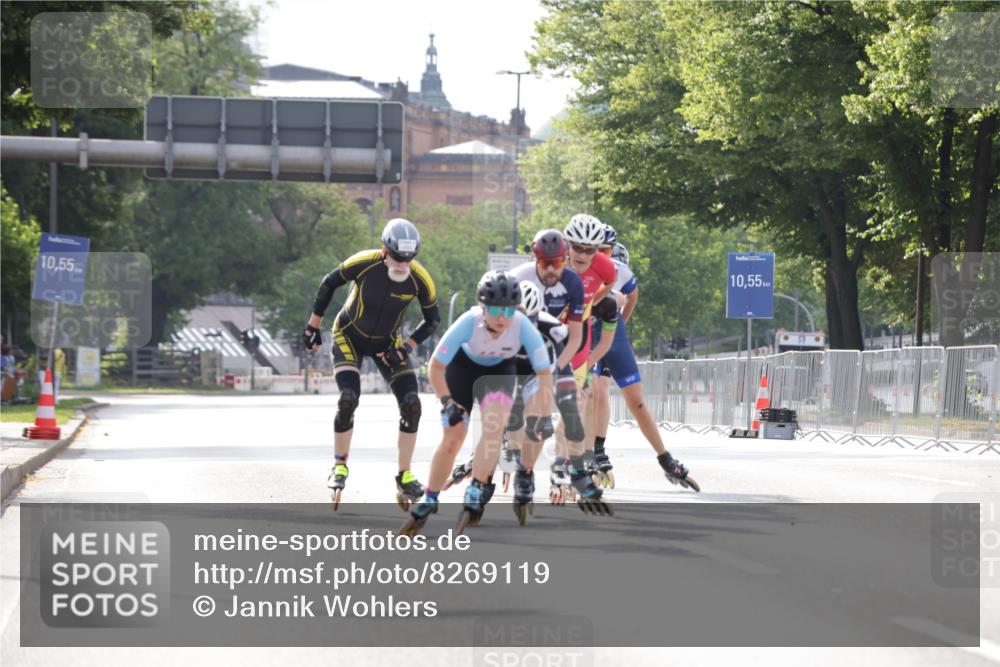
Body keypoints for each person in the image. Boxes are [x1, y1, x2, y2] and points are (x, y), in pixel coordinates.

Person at [402, 271, 602, 535]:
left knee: (494, 428)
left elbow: (545, 374)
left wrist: (542, 414)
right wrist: (447, 402)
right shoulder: (468, 322)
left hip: (498, 373)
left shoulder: (522, 325)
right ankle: (430, 497)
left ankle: (477, 486)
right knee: (453, 438)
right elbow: (436, 368)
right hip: (462, 369)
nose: (501, 318)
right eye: (495, 310)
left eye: (508, 312)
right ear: (482, 307)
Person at [303, 218, 440, 509]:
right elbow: (329, 284)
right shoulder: (364, 262)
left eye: (409, 259)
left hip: (388, 344)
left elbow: (433, 321)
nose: (403, 265)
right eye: (397, 258)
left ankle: (404, 475)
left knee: (413, 404)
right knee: (348, 398)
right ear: (384, 250)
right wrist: (313, 326)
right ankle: (340, 465)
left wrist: (406, 348)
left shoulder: (420, 278)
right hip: (348, 335)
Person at [590, 236, 700, 491]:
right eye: (600, 249)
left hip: (614, 338)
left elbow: (632, 296)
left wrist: (622, 324)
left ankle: (665, 459)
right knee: (595, 394)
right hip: (589, 340)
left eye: (608, 249)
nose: (605, 253)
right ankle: (593, 452)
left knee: (638, 403)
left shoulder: (620, 270)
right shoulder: (580, 271)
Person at [511, 229, 588, 501]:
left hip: (553, 344)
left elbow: (576, 336)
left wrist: (555, 369)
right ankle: (510, 450)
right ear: (536, 260)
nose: (553, 269)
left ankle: (561, 464)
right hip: (518, 344)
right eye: (546, 264)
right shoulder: (519, 277)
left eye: (559, 262)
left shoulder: (573, 282)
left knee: (573, 403)